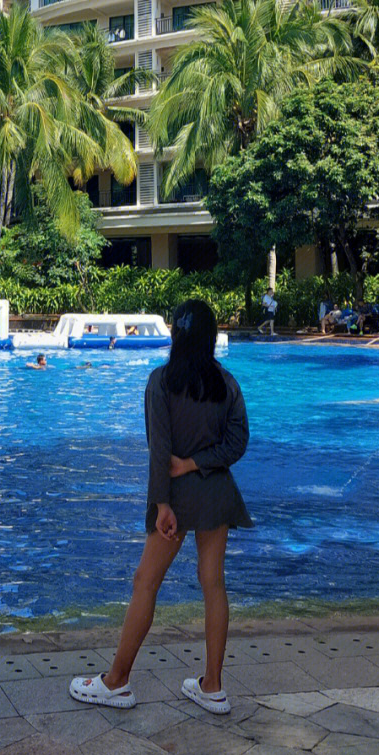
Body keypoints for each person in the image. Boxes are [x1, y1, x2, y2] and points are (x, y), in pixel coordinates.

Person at [70, 299, 251, 715]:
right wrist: (198, 462)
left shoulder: (161, 382)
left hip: (177, 497)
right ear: (211, 337)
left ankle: (116, 682)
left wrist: (162, 504)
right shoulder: (226, 384)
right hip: (218, 493)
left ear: (174, 334)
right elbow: (237, 444)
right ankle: (214, 687)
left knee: (145, 583)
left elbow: (159, 452)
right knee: (214, 585)